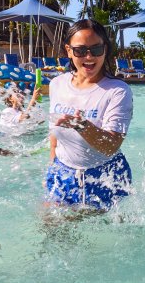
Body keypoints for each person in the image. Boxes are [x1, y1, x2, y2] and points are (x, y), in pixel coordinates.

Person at [47, 19, 133, 210]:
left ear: (105, 49)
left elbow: (111, 146)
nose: (89, 57)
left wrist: (82, 126)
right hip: (62, 172)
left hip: (106, 176)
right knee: (51, 230)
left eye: (96, 50)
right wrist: (52, 167)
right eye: (80, 50)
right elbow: (54, 134)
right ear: (69, 50)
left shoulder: (117, 91)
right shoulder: (57, 84)